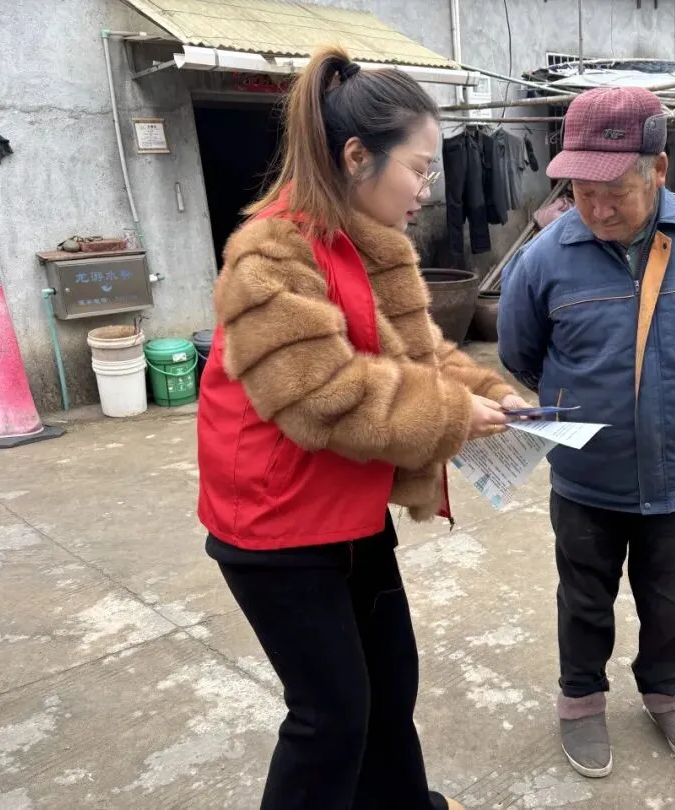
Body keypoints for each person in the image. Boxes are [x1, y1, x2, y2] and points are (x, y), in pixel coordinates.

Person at [196, 47, 528, 810]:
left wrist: (489, 394)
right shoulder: (270, 255)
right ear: (356, 157)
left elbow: (424, 352)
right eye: (418, 168)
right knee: (331, 718)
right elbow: (325, 396)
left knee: (388, 690)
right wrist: (452, 416)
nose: (426, 188)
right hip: (274, 527)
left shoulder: (372, 241)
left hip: (349, 509)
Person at [497, 86, 675, 778]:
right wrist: (589, 403)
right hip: (586, 476)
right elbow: (521, 356)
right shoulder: (544, 259)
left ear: (659, 169)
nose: (598, 208)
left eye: (615, 190)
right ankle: (581, 698)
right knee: (583, 596)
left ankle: (667, 690)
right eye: (582, 191)